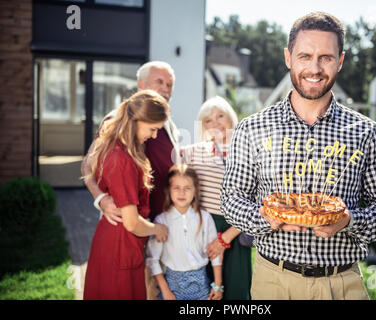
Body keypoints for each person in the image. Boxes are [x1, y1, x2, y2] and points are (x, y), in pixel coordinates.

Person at [221, 12, 376, 300]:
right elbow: (231, 199)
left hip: (342, 283)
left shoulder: (366, 133)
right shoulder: (252, 128)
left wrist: (348, 220)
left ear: (340, 61)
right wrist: (268, 218)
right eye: (305, 56)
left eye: (326, 57)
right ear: (288, 57)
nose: (315, 67)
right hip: (273, 282)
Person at [81, 61, 179, 299]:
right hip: (133, 229)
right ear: (141, 85)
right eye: (159, 82)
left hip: (154, 227)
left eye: (170, 84)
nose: (165, 88)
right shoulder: (117, 123)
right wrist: (101, 199)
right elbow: (88, 165)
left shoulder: (168, 125)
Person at [181, 96, 252, 300]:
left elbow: (256, 202)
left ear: (230, 117)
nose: (216, 124)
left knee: (237, 292)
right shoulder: (194, 151)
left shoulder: (247, 151)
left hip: (235, 231)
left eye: (220, 116)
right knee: (206, 291)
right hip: (202, 229)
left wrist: (225, 238)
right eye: (208, 121)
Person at [146, 164, 223, 300]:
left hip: (201, 285)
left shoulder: (204, 218)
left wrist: (217, 285)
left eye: (187, 188)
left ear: (195, 191)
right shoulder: (161, 221)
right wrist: (165, 290)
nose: (182, 193)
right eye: (176, 188)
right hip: (172, 286)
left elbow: (215, 254)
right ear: (169, 190)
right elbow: (152, 259)